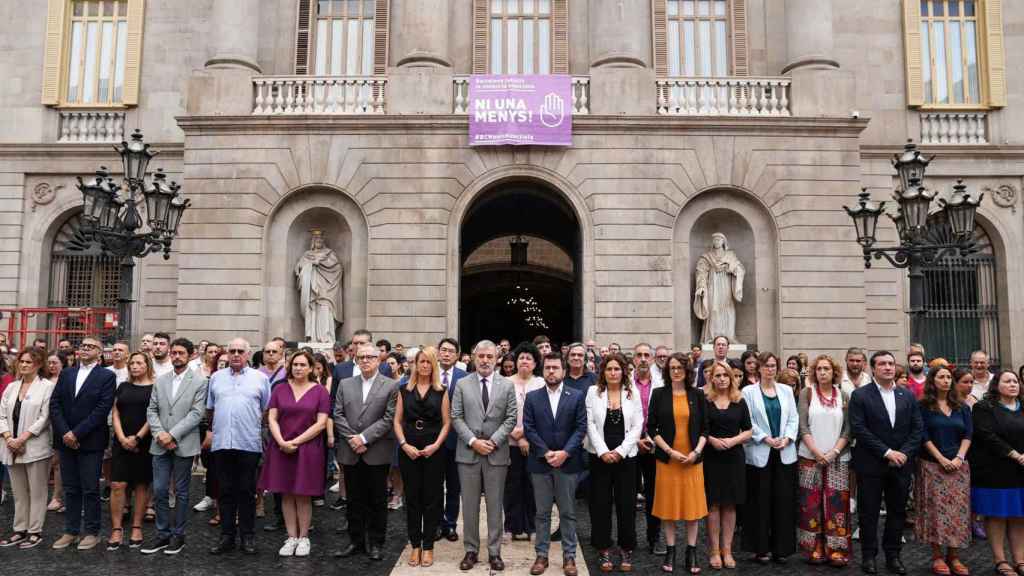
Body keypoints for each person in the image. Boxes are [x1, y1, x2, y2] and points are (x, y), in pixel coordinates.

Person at [849, 350, 924, 575]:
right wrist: (887, 452)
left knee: (897, 512)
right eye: (882, 364)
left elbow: (917, 428)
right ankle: (869, 556)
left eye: (891, 363)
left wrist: (903, 453)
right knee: (868, 512)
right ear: (872, 368)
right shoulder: (860, 395)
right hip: (871, 463)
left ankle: (893, 556)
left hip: (900, 464)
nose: (888, 367)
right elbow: (859, 429)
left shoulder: (907, 395)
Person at [451, 340, 517, 572]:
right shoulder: (462, 384)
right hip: (468, 453)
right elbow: (456, 416)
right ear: (474, 357)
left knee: (494, 504)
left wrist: (493, 441)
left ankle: (494, 551)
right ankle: (470, 550)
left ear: (497, 357)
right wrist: (473, 441)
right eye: (481, 356)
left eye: (490, 356)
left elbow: (511, 417)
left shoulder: (507, 385)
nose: (485, 360)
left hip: (496, 453)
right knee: (468, 505)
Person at [258, 349, 329, 557]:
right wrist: (281, 441)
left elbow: (321, 423)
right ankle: (291, 537)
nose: (298, 368)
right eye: (295, 364)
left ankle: (304, 537)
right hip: (281, 447)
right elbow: (272, 418)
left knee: (303, 493)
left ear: (310, 368)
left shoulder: (320, 391)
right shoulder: (280, 389)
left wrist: (295, 442)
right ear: (290, 367)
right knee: (286, 493)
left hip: (307, 448)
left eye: (302, 365)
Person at [48, 337, 115, 551]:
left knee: (90, 489)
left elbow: (102, 409)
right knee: (70, 488)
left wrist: (76, 433)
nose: (85, 349)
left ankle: (92, 532)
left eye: (90, 346)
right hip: (65, 439)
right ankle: (71, 531)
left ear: (100, 352)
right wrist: (65, 432)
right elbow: (55, 404)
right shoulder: (67, 373)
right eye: (83, 346)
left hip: (91, 440)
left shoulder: (107, 376)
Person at [333, 342, 398, 562]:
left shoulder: (390, 386)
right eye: (361, 357)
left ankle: (376, 542)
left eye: (370, 357)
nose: (365, 361)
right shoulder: (345, 384)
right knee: (353, 500)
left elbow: (389, 418)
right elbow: (338, 414)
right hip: (350, 452)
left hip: (376, 451)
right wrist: (353, 439)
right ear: (356, 360)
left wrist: (364, 438)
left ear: (378, 359)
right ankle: (356, 541)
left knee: (378, 500)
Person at [524, 353, 587, 576]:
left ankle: (569, 557)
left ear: (563, 371)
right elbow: (529, 428)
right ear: (543, 371)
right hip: (540, 463)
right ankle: (542, 556)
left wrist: (565, 453)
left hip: (568, 464)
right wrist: (546, 452)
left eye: (555, 368)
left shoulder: (577, 396)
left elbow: (581, 428)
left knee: (568, 512)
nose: (551, 371)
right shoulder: (532, 397)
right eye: (548, 368)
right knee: (541, 513)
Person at [142, 339, 207, 556]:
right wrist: (160, 433)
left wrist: (172, 434)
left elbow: (197, 414)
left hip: (183, 444)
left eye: (181, 353)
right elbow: (151, 410)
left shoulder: (199, 381)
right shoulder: (160, 380)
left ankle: (178, 534)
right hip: (159, 444)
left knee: (181, 492)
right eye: (174, 353)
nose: (177, 356)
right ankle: (162, 534)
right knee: (160, 490)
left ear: (190, 355)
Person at [207, 338, 271, 556]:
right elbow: (211, 409)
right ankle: (226, 536)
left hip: (248, 443)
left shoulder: (261, 379)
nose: (235, 354)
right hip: (222, 443)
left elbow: (265, 410)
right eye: (232, 350)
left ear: (248, 354)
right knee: (224, 491)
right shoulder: (215, 378)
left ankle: (247, 536)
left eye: (240, 351)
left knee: (246, 491)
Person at [649, 353, 709, 574]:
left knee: (692, 508)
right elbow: (651, 428)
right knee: (669, 508)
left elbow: (705, 428)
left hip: (692, 459)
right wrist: (669, 451)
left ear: (687, 370)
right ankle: (670, 550)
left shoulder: (697, 395)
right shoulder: (658, 394)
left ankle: (691, 551)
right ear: (667, 371)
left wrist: (696, 451)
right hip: (668, 459)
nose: (675, 371)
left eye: (680, 367)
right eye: (672, 367)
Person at [585, 353, 644, 573]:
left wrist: (619, 452)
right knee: (600, 504)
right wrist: (603, 451)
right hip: (599, 457)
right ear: (603, 372)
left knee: (626, 504)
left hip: (626, 458)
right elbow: (589, 424)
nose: (613, 373)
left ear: (623, 372)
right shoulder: (593, 392)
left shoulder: (632, 393)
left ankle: (626, 548)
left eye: (617, 369)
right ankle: (603, 549)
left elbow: (638, 425)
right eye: (609, 369)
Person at [393, 347, 451, 568]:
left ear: (434, 365)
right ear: (414, 364)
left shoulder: (441, 390)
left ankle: (428, 546)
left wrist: (436, 445)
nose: (425, 365)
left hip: (433, 449)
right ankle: (415, 544)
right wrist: (404, 444)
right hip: (409, 448)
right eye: (421, 362)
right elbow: (397, 421)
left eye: (428, 362)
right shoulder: (404, 390)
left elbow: (447, 422)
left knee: (433, 498)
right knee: (413, 498)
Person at [914, 364, 972, 576]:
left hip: (959, 467)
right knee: (936, 513)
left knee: (957, 512)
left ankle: (954, 556)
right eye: (941, 377)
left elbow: (968, 434)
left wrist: (959, 457)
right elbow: (923, 435)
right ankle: (938, 556)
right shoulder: (923, 406)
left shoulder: (962, 406)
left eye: (949, 377)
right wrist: (940, 458)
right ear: (933, 380)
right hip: (932, 465)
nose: (946, 380)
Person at [741, 352, 798, 563]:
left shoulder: (786, 390)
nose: (770, 369)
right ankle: (760, 548)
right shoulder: (748, 392)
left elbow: (793, 418)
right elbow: (748, 420)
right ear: (759, 368)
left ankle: (781, 549)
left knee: (783, 502)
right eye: (766, 366)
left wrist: (788, 438)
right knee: (759, 502)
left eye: (773, 365)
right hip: (759, 453)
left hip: (784, 452)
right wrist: (765, 438)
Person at [797, 355, 852, 566]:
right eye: (819, 369)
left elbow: (849, 428)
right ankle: (815, 546)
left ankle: (836, 548)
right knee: (811, 504)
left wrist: (833, 453)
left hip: (838, 459)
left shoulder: (844, 395)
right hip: (810, 458)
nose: (822, 372)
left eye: (826, 369)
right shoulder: (807, 393)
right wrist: (817, 452)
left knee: (837, 504)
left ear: (834, 372)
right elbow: (803, 426)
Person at [969, 370, 1024, 576]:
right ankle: (1000, 560)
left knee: (1020, 516)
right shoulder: (984, 407)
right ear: (996, 385)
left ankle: (1020, 560)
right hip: (994, 471)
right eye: (1007, 381)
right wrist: (1014, 454)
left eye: (1015, 381)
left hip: (1020, 472)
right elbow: (986, 435)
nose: (1013, 384)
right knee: (997, 516)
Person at [0, 349, 55, 549]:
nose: (23, 365)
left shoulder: (47, 387)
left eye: (28, 362)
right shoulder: (12, 387)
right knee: (18, 491)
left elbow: (45, 417)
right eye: (21, 361)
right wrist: (8, 437)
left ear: (38, 365)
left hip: (35, 446)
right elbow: (1, 414)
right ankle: (20, 529)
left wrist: (22, 438)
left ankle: (35, 531)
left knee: (37, 490)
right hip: (10, 445)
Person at [703, 359, 752, 570]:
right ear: (711, 378)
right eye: (718, 375)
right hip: (712, 458)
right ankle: (714, 551)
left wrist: (733, 440)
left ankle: (727, 550)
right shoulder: (705, 400)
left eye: (725, 375)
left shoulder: (739, 400)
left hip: (734, 458)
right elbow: (699, 429)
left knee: (730, 505)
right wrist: (712, 439)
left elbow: (749, 430)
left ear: (731, 378)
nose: (722, 379)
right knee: (713, 505)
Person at [108, 352, 155, 551]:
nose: (134, 366)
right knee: (118, 484)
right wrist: (121, 438)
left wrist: (137, 438)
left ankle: (137, 526)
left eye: (139, 363)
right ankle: (116, 528)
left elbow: (154, 414)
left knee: (141, 485)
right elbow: (116, 412)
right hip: (121, 441)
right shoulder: (123, 386)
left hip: (144, 442)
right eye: (132, 363)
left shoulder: (155, 388)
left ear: (147, 365)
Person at [506, 342, 545, 540]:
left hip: (534, 443)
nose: (524, 361)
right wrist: (516, 435)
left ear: (535, 362)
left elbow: (544, 416)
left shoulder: (541, 383)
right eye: (521, 357)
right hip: (509, 443)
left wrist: (527, 437)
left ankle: (531, 526)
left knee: (532, 486)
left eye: (529, 358)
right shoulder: (504, 382)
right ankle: (512, 527)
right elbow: (501, 414)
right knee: (512, 485)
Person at [632, 343, 664, 554]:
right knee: (627, 495)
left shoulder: (662, 384)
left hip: (654, 445)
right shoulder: (624, 383)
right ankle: (629, 540)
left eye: (647, 355)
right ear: (633, 359)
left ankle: (654, 538)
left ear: (652, 359)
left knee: (654, 495)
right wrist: (636, 440)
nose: (643, 359)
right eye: (639, 355)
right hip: (631, 445)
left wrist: (652, 439)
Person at [436, 337, 467, 541]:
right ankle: (437, 524)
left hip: (457, 441)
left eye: (450, 351)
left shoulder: (465, 377)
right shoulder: (429, 374)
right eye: (443, 350)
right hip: (433, 440)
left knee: (455, 486)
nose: (446, 354)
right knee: (435, 485)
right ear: (438, 353)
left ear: (457, 355)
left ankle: (451, 524)